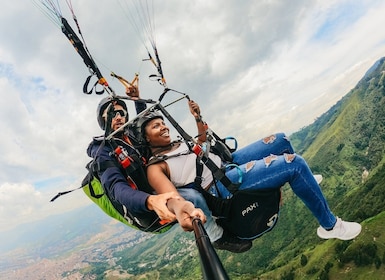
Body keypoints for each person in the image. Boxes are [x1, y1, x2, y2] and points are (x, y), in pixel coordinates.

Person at [139, 100, 362, 245]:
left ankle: (306, 182)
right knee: (294, 164)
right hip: (221, 185)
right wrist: (183, 210)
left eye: (163, 123)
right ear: (147, 138)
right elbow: (172, 198)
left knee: (281, 140)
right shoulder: (155, 167)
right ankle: (331, 226)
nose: (164, 127)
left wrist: (198, 119)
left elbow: (202, 143)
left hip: (226, 163)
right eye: (156, 126)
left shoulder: (177, 144)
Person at [86, 87, 207, 233]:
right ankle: (217, 235)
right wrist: (150, 200)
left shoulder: (130, 136)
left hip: (159, 183)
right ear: (103, 120)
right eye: (112, 113)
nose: (118, 117)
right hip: (144, 202)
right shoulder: (102, 151)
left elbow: (143, 123)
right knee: (193, 197)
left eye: (121, 113)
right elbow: (116, 187)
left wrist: (137, 99)